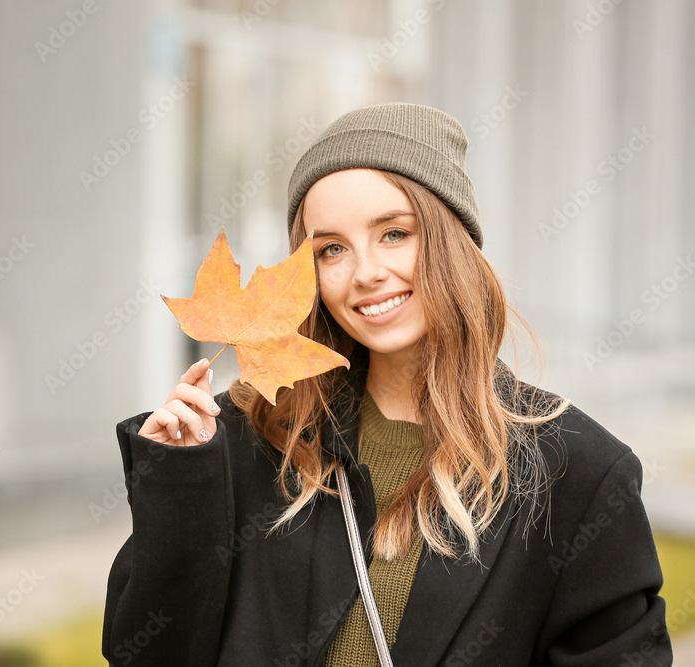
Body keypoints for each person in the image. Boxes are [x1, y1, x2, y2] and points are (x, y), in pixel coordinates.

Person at [101, 103, 672, 666]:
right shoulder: (247, 434)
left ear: (453, 241)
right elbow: (148, 654)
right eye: (331, 249)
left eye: (395, 234)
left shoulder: (577, 470)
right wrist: (179, 488)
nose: (366, 272)